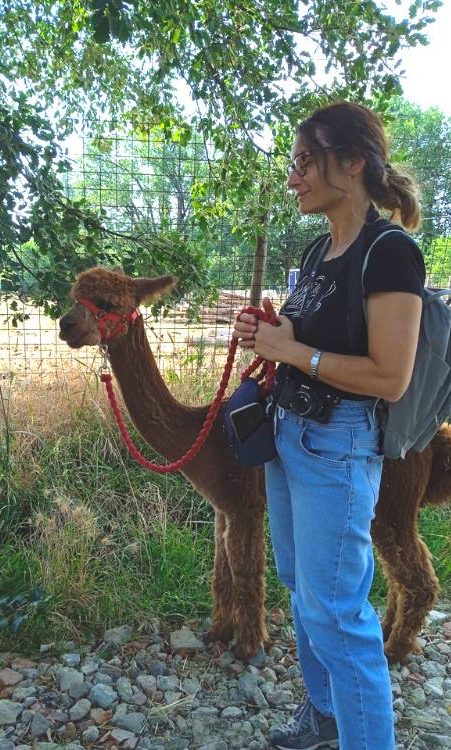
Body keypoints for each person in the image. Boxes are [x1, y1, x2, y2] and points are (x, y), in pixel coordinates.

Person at [233, 102, 425, 750]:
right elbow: (299, 338)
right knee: (301, 589)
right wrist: (269, 336)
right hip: (289, 437)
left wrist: (292, 353)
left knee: (337, 613)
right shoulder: (320, 249)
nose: (293, 179)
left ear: (351, 161)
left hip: (337, 446)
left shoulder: (389, 252)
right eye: (294, 165)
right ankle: (324, 714)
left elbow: (388, 378)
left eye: (303, 162)